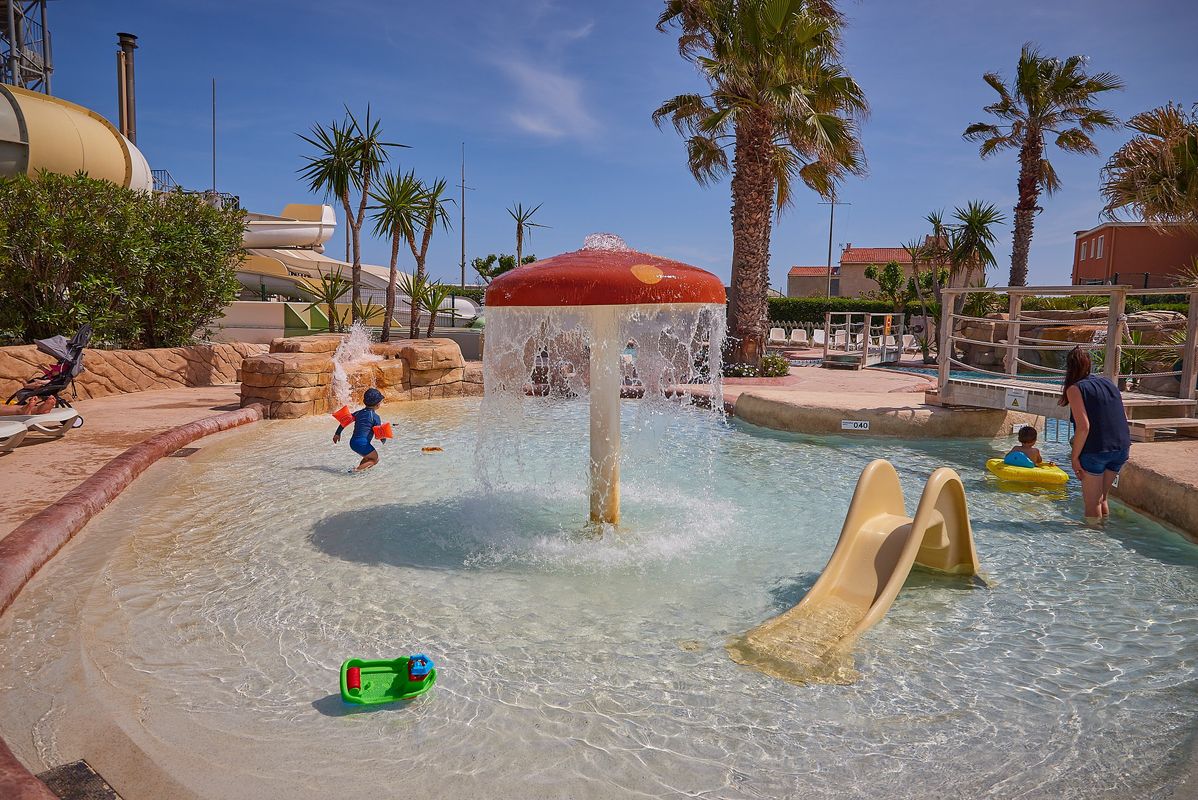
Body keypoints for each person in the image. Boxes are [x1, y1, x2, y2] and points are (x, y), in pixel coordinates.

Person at [1059, 346, 1131, 525]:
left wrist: (1074, 458)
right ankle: (1104, 535)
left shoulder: (1075, 389)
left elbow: (1083, 427)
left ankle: (1093, 546)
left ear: (1069, 368)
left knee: (1092, 504)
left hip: (1096, 451)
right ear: (1089, 364)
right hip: (1121, 447)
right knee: (1102, 499)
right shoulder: (1108, 382)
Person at [333, 388, 385, 472]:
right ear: (378, 404)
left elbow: (344, 421)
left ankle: (360, 472)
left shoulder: (358, 413)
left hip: (353, 442)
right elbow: (379, 434)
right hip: (362, 444)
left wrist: (337, 434)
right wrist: (383, 439)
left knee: (368, 458)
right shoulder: (375, 417)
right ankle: (355, 471)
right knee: (375, 459)